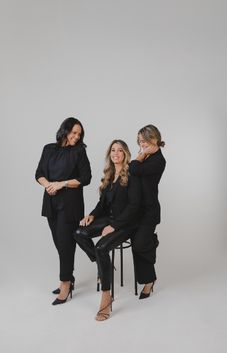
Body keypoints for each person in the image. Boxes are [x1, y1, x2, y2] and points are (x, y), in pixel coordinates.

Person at [74, 140, 141, 321]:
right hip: (108, 219)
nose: (116, 153)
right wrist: (92, 216)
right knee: (79, 232)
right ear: (109, 154)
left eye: (120, 150)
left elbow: (134, 206)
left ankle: (106, 296)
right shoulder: (109, 174)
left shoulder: (132, 173)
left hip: (126, 223)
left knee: (101, 248)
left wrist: (114, 226)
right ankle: (103, 267)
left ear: (125, 154)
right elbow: (102, 204)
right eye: (113, 150)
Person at [35, 117, 92, 305]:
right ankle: (70, 276)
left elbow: (86, 178)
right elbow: (39, 174)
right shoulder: (48, 149)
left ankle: (65, 284)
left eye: (79, 134)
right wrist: (49, 185)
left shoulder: (79, 152)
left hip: (70, 204)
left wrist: (62, 183)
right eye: (74, 132)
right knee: (59, 243)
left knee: (66, 244)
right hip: (51, 202)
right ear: (64, 130)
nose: (76, 136)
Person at [129, 124, 166, 299]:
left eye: (144, 141)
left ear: (154, 139)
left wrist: (141, 154)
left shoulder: (158, 160)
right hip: (136, 209)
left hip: (149, 210)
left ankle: (152, 242)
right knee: (136, 246)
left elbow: (134, 169)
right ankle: (148, 281)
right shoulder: (146, 156)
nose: (141, 145)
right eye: (139, 142)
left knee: (139, 244)